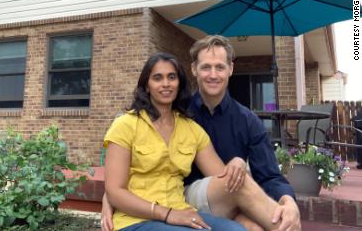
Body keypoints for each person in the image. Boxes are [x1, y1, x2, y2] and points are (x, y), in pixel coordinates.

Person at [103, 52, 284, 231]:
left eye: (171, 77)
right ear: (147, 86)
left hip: (182, 211)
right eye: (157, 78)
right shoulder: (125, 125)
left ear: (179, 83)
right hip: (135, 219)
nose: (166, 84)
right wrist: (167, 214)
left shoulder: (191, 129)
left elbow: (225, 181)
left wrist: (238, 165)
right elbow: (115, 191)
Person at [183, 35, 301, 231]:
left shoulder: (247, 120)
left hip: (234, 200)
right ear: (194, 69)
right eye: (206, 67)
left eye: (220, 67)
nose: (213, 74)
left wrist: (288, 201)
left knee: (257, 228)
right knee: (241, 182)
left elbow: (269, 175)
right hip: (188, 198)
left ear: (231, 68)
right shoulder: (179, 112)